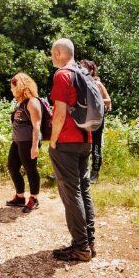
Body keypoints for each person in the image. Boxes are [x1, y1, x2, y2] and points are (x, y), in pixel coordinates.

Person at [47, 39, 95, 261]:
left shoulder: (62, 75)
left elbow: (60, 113)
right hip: (86, 139)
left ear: (58, 53)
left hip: (66, 141)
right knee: (83, 190)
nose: (51, 58)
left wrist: (53, 141)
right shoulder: (83, 73)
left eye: (51, 54)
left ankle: (80, 246)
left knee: (71, 192)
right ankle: (90, 241)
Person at [6, 73, 43, 213]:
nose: (11, 90)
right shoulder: (20, 102)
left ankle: (34, 199)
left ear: (21, 86)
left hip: (28, 141)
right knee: (12, 167)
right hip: (17, 141)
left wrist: (34, 146)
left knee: (30, 169)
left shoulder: (32, 102)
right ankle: (20, 197)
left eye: (13, 87)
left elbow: (36, 126)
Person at [78, 60, 112, 183]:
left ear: (91, 71)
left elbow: (108, 100)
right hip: (84, 118)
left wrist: (95, 100)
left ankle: (95, 173)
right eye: (80, 67)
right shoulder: (80, 82)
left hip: (96, 119)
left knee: (95, 146)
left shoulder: (97, 83)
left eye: (84, 67)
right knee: (80, 145)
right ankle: (79, 171)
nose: (81, 69)